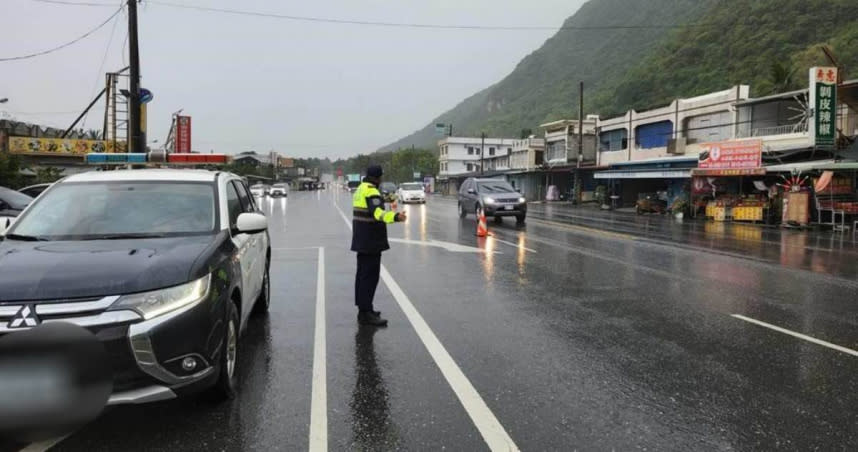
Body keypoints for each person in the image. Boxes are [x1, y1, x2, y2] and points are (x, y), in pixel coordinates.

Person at [351, 165, 406, 326]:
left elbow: (373, 205)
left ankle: (364, 309)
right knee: (370, 277)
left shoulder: (361, 188)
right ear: (377, 178)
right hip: (371, 241)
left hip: (361, 239)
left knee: (362, 276)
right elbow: (378, 214)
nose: (382, 179)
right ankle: (366, 313)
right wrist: (396, 217)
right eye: (381, 176)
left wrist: (386, 199)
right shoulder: (371, 192)